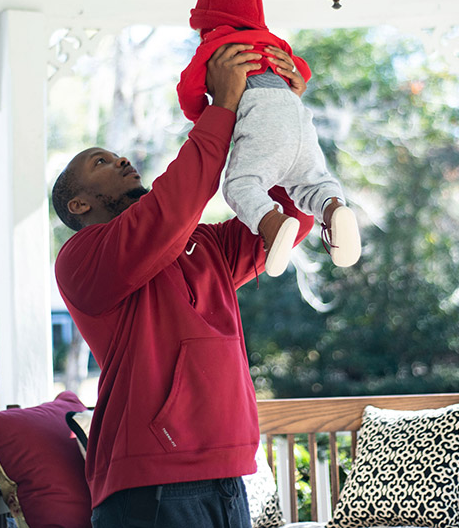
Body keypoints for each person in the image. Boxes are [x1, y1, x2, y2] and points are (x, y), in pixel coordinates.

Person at [52, 43, 314, 528]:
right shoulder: (80, 260)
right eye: (100, 163)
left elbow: (288, 217)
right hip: (150, 484)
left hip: (229, 474)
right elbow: (174, 203)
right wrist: (222, 108)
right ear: (79, 205)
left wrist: (287, 115)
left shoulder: (204, 244)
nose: (120, 159)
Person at [177, 0, 361, 277]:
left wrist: (201, 116)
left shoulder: (215, 48)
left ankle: (271, 222)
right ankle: (332, 208)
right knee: (312, 181)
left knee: (241, 184)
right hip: (298, 117)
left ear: (205, 25)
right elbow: (301, 70)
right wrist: (295, 79)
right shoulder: (275, 44)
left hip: (262, 120)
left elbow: (187, 90)